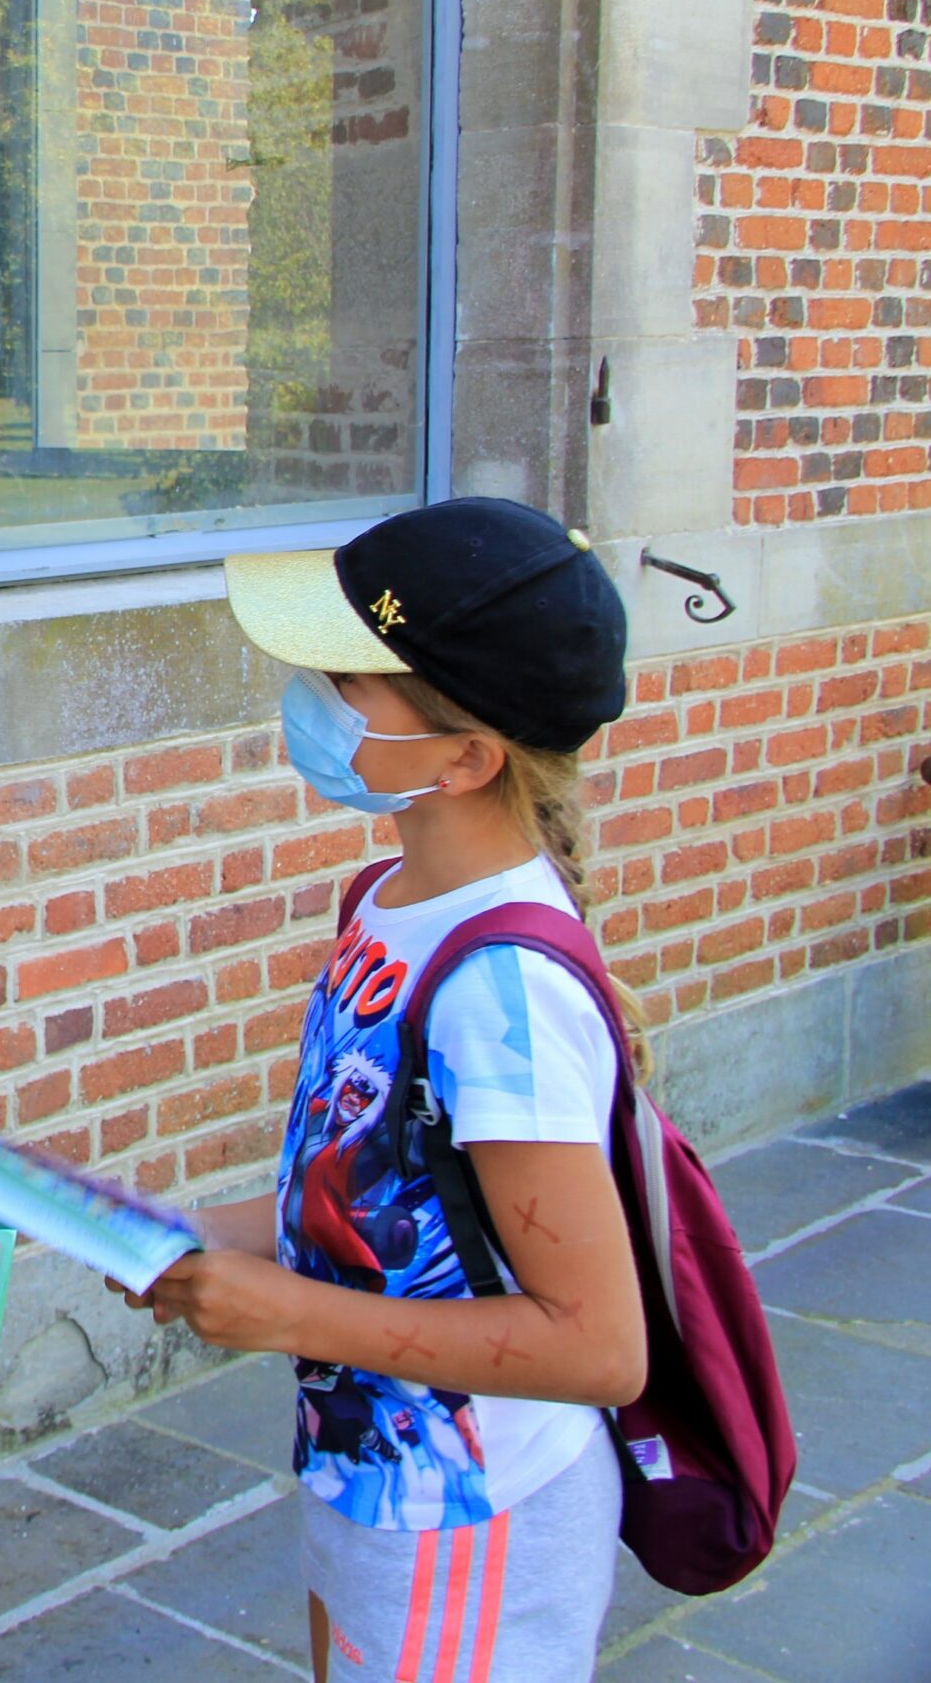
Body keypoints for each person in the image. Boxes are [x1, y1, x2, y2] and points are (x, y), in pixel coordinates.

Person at [111, 498, 653, 1683]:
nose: (306, 694)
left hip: (472, 1511)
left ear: (465, 757)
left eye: (346, 679)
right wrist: (194, 1235)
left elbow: (599, 1348)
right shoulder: (385, 904)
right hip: (372, 1478)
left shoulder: (499, 992)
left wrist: (286, 1315)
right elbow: (376, 1206)